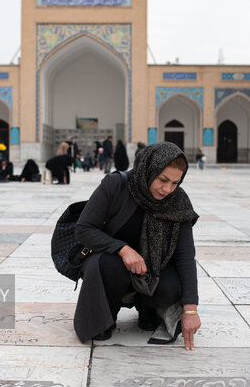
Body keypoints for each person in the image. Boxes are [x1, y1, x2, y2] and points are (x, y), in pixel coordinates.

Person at [74, 142, 201, 350]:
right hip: (112, 263)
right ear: (149, 168)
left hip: (153, 269)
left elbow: (185, 256)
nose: (167, 189)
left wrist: (190, 310)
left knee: (172, 286)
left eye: (175, 183)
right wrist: (123, 249)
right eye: (163, 180)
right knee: (107, 265)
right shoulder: (116, 185)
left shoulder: (178, 201)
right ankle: (107, 314)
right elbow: (84, 229)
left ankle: (147, 310)